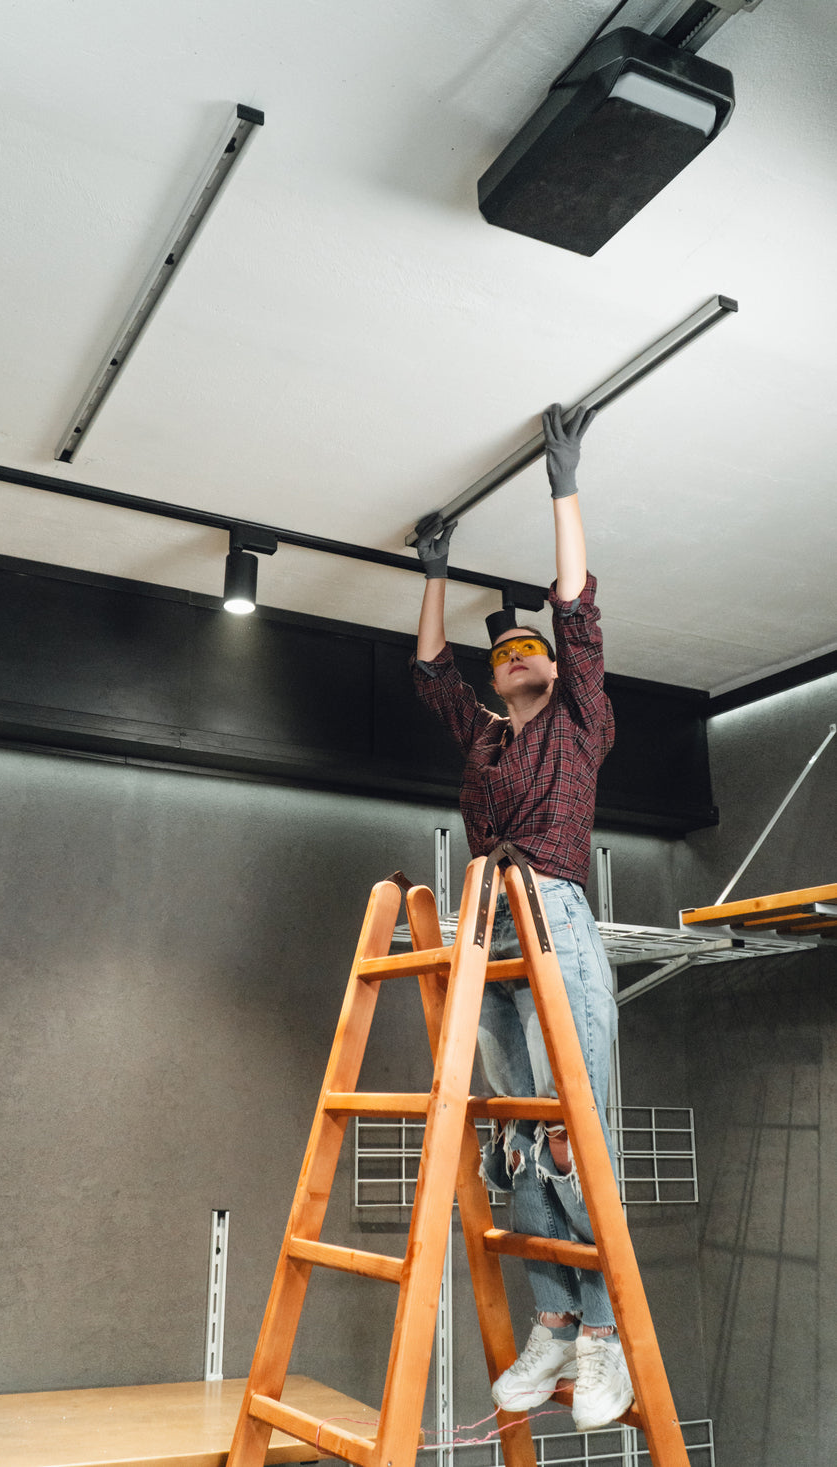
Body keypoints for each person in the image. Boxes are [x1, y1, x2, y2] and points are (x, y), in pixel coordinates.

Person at [410, 404, 633, 1434]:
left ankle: (604, 1337)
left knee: (570, 1129)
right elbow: (429, 677)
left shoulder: (581, 723)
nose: (513, 658)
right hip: (488, 928)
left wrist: (562, 483)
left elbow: (576, 603)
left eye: (528, 649)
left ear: (556, 667)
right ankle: (553, 1320)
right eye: (501, 655)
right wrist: (435, 577)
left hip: (554, 916)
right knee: (519, 1136)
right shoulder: (488, 741)